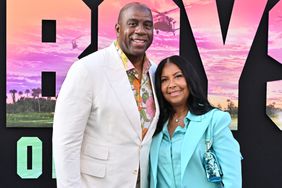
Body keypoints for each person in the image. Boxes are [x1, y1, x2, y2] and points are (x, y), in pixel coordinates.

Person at [52, 2, 159, 188]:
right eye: (132, 24)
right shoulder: (87, 69)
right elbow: (66, 143)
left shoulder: (156, 72)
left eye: (147, 25)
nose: (141, 31)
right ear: (118, 29)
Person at [149, 55, 242, 188]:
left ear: (189, 79)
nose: (172, 85)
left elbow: (232, 180)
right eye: (164, 80)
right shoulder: (155, 126)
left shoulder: (214, 121)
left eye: (178, 76)